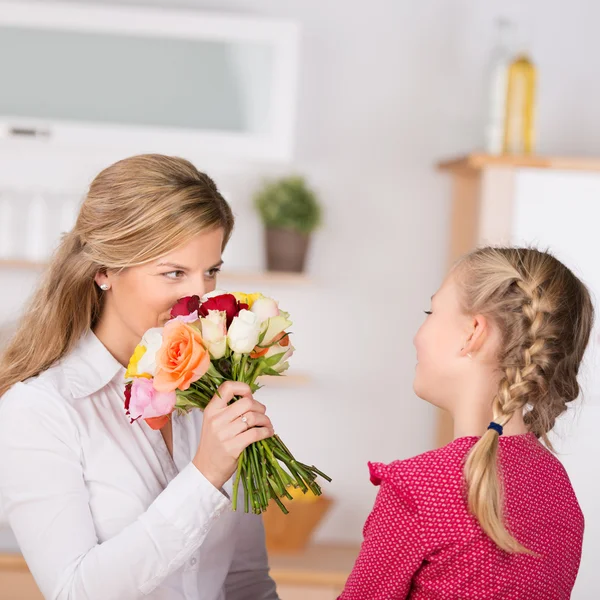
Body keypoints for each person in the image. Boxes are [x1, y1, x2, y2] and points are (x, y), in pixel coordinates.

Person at [0, 155, 279, 600]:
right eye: (173, 272)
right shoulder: (40, 410)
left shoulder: (217, 389)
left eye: (210, 271)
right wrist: (204, 475)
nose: (200, 297)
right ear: (104, 271)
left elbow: (246, 581)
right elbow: (74, 592)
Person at [340, 247, 594, 599]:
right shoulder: (555, 486)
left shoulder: (418, 489)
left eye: (431, 311)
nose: (417, 335)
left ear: (473, 332)